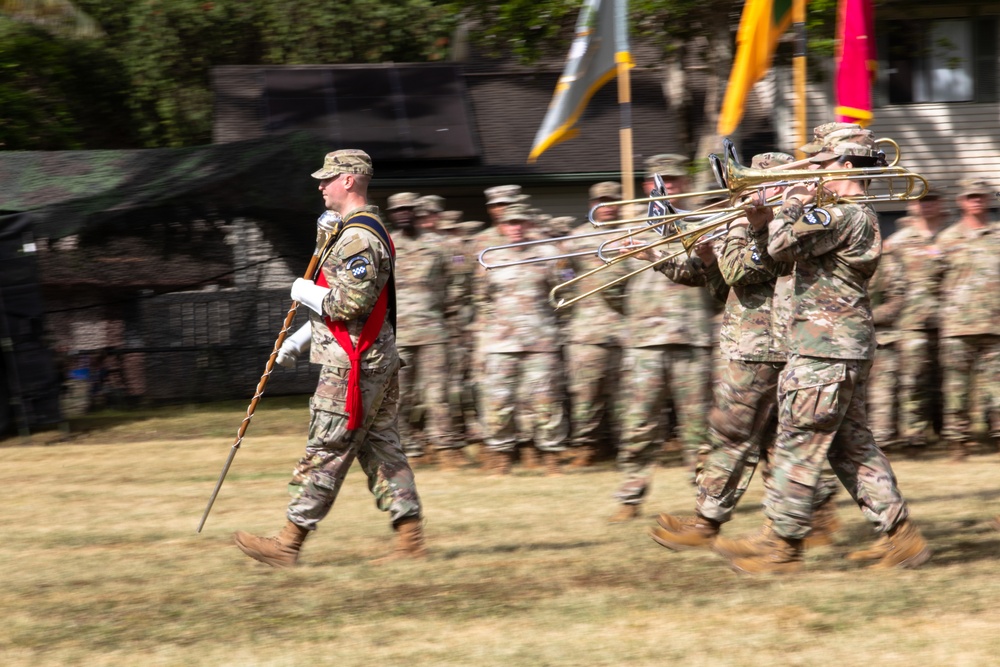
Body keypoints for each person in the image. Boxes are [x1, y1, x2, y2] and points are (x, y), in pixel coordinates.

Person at [715, 130, 931, 573]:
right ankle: (900, 537)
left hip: (825, 348)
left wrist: (788, 200)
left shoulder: (845, 214)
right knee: (852, 448)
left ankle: (782, 545)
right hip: (833, 345)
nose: (810, 170)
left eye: (820, 163)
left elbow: (780, 245)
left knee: (797, 441)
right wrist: (762, 217)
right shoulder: (843, 213)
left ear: (847, 167)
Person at [234, 149, 425, 567]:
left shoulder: (359, 236)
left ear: (351, 181)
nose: (320, 185)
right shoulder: (347, 231)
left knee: (326, 448)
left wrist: (304, 291)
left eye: (328, 178)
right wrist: (301, 340)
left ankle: (288, 543)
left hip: (355, 364)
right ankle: (411, 541)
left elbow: (350, 305)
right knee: (382, 450)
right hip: (366, 354)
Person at [650, 152, 842, 551]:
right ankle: (817, 513)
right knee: (772, 437)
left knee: (732, 431)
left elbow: (746, 270)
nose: (748, 192)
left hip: (766, 345)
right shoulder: (764, 226)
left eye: (760, 182)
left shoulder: (782, 228)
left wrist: (741, 226)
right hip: (755, 342)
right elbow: (728, 289)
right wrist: (702, 258)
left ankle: (707, 521)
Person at [610, 154, 723, 522]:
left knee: (698, 427)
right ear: (648, 186)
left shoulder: (705, 224)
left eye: (674, 180)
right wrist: (638, 317)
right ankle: (630, 495)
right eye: (662, 180)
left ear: (685, 185)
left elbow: (718, 276)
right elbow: (609, 288)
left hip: (692, 338)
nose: (669, 186)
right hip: (645, 341)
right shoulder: (630, 231)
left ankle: (706, 501)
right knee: (638, 422)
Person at [473, 201, 569, 475]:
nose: (515, 227)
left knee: (545, 401)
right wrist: (484, 339)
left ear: (529, 224)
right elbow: (481, 299)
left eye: (520, 222)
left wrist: (555, 328)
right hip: (500, 343)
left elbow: (564, 293)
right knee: (498, 401)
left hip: (541, 342)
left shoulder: (548, 254)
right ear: (502, 227)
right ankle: (502, 455)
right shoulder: (489, 256)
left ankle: (551, 456)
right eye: (509, 223)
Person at [561, 182, 628, 467]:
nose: (607, 206)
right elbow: (562, 276)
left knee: (624, 394)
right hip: (587, 330)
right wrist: (570, 304)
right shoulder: (575, 239)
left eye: (612, 201)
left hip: (624, 329)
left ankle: (623, 447)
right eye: (601, 201)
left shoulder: (633, 234)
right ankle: (588, 446)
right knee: (585, 394)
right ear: (592, 204)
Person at [390, 192, 458, 469]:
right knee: (399, 395)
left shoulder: (439, 244)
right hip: (398, 334)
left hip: (434, 333)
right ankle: (409, 449)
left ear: (417, 212)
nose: (404, 213)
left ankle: (443, 447)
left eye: (409, 209)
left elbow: (456, 283)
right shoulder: (386, 245)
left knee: (438, 394)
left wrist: (448, 314)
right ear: (392, 214)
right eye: (399, 209)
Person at [936, 178, 1000, 459]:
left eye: (981, 196)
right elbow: (930, 281)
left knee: (997, 387)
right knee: (956, 388)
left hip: (995, 325)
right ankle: (957, 441)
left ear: (988, 200)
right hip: (957, 326)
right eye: (971, 196)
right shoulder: (946, 239)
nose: (976, 201)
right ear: (961, 201)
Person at [885, 193, 948, 456]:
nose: (927, 204)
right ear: (912, 205)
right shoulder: (897, 243)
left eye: (932, 200)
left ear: (940, 204)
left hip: (950, 320)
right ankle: (914, 435)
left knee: (945, 380)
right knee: (913, 380)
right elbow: (888, 283)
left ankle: (945, 432)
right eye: (922, 200)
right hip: (912, 320)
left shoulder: (951, 237)